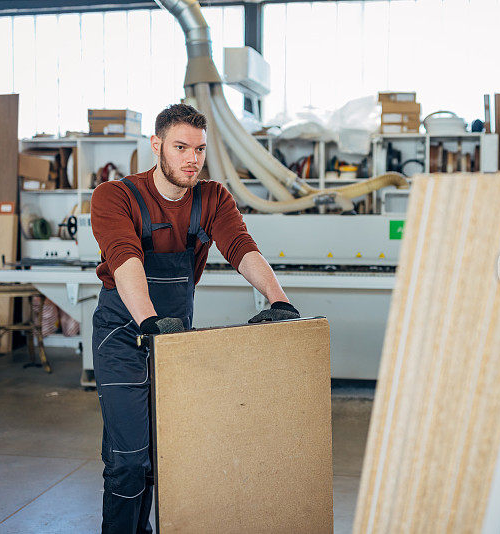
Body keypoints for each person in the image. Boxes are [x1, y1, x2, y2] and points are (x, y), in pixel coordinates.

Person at [90, 103, 300, 533]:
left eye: (199, 149)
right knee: (128, 460)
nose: (192, 159)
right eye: (181, 147)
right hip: (125, 335)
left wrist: (278, 301)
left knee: (165, 455)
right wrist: (149, 322)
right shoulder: (115, 196)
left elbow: (240, 246)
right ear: (157, 146)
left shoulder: (212, 197)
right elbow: (124, 259)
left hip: (175, 338)